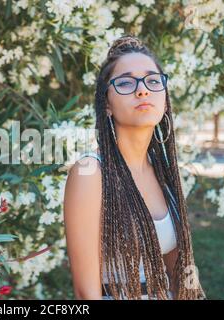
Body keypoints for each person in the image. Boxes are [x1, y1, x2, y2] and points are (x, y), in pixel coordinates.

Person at [63, 35, 206, 300]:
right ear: (106, 103)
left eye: (153, 81)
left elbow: (179, 271)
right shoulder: (90, 173)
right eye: (126, 82)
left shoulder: (165, 175)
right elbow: (86, 293)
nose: (143, 90)